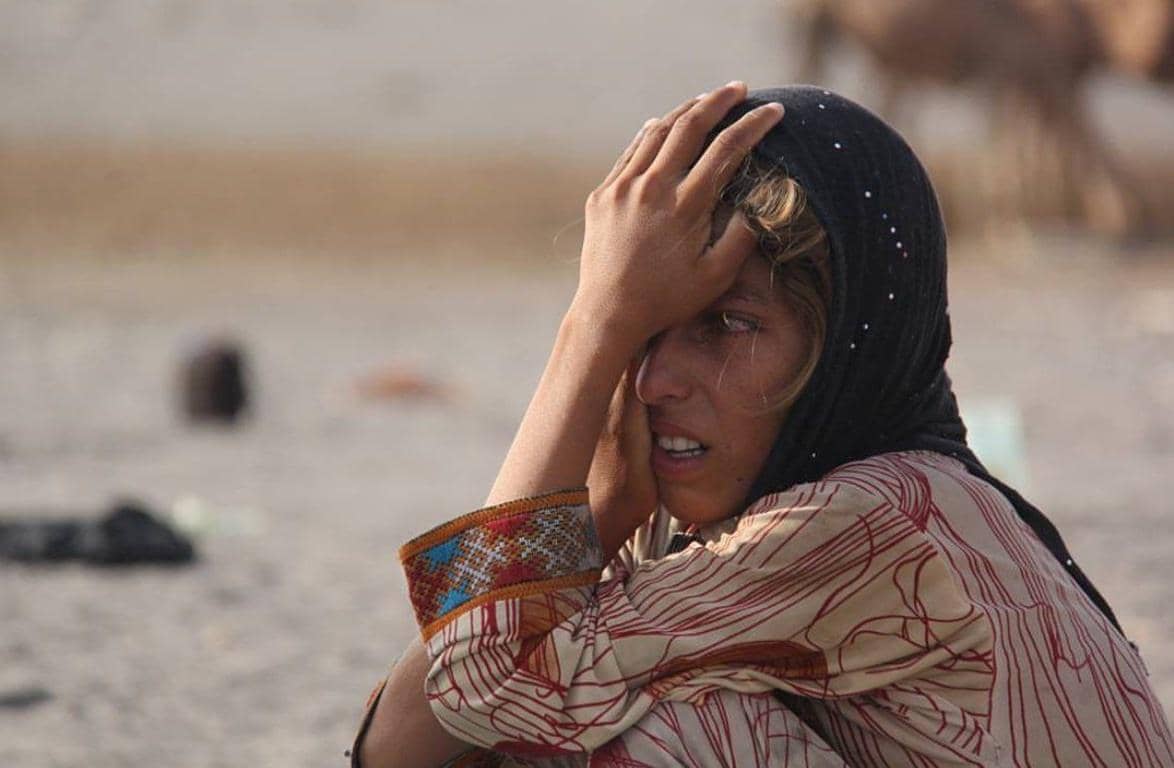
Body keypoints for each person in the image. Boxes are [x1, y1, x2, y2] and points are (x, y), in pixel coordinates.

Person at [350, 82, 1173, 766]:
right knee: (572, 689)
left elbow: (479, 682)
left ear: (848, 343)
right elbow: (401, 746)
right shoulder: (738, 506)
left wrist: (592, 328)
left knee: (633, 722)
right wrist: (599, 518)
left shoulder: (871, 517)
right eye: (646, 328)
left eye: (729, 325)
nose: (653, 379)